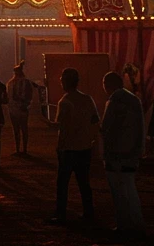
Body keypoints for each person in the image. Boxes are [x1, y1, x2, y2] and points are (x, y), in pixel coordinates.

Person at [49, 67, 99, 226]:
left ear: (65, 82)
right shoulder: (87, 99)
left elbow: (62, 128)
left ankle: (61, 213)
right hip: (84, 147)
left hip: (69, 149)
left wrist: (59, 147)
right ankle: (88, 212)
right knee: (84, 183)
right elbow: (94, 120)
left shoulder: (64, 102)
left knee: (62, 183)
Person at [100, 71, 144, 237]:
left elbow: (107, 128)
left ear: (107, 85)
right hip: (132, 152)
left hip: (116, 153)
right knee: (130, 189)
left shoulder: (114, 100)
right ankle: (137, 224)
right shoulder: (134, 100)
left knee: (118, 192)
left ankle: (123, 225)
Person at [8, 62, 34, 156]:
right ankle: (24, 149)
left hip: (14, 109)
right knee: (24, 129)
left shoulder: (11, 83)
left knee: (16, 130)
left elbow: (9, 97)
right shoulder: (26, 82)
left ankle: (18, 149)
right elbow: (30, 95)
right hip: (22, 108)